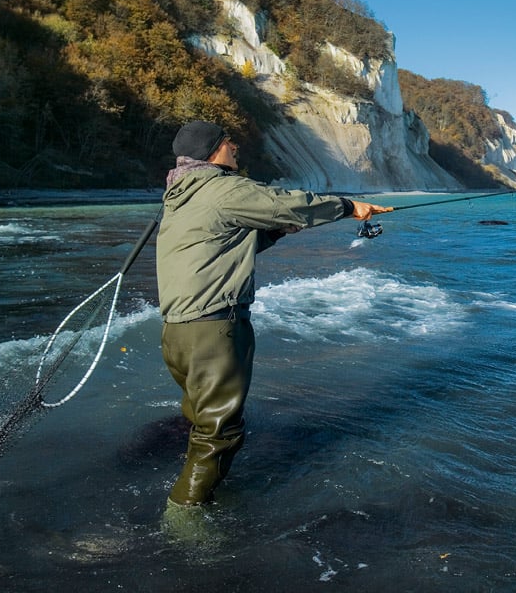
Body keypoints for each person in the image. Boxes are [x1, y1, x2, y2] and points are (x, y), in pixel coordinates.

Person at [155, 120, 391, 521]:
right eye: (228, 142)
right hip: (214, 328)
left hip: (177, 333)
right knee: (219, 434)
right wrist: (350, 207)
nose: (235, 147)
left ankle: (195, 488)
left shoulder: (181, 196)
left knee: (201, 420)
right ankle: (183, 519)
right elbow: (287, 201)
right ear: (212, 151)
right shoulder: (224, 189)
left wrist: (278, 231)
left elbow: (227, 242)